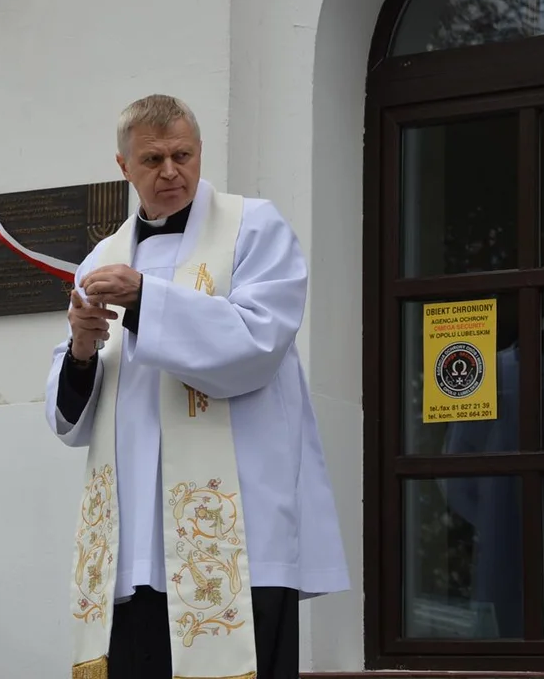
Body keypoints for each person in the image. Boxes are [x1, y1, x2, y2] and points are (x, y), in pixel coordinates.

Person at [44, 94, 349, 679]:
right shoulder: (100, 261)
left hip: (236, 529)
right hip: (133, 542)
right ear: (123, 166)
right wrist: (82, 350)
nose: (170, 171)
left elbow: (256, 345)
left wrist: (144, 302)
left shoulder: (254, 228)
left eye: (182, 155)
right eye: (152, 159)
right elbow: (72, 418)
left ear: (200, 152)